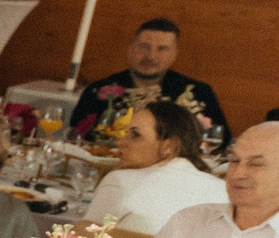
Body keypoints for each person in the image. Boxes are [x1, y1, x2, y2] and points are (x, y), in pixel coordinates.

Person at [80, 100, 227, 236]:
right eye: (126, 133)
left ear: (169, 146)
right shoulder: (222, 190)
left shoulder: (120, 182)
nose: (120, 142)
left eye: (135, 135)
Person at [71, 17, 226, 143]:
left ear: (174, 54)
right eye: (144, 46)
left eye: (162, 49)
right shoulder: (99, 91)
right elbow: (75, 137)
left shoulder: (199, 93)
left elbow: (220, 142)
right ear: (130, 49)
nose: (150, 56)